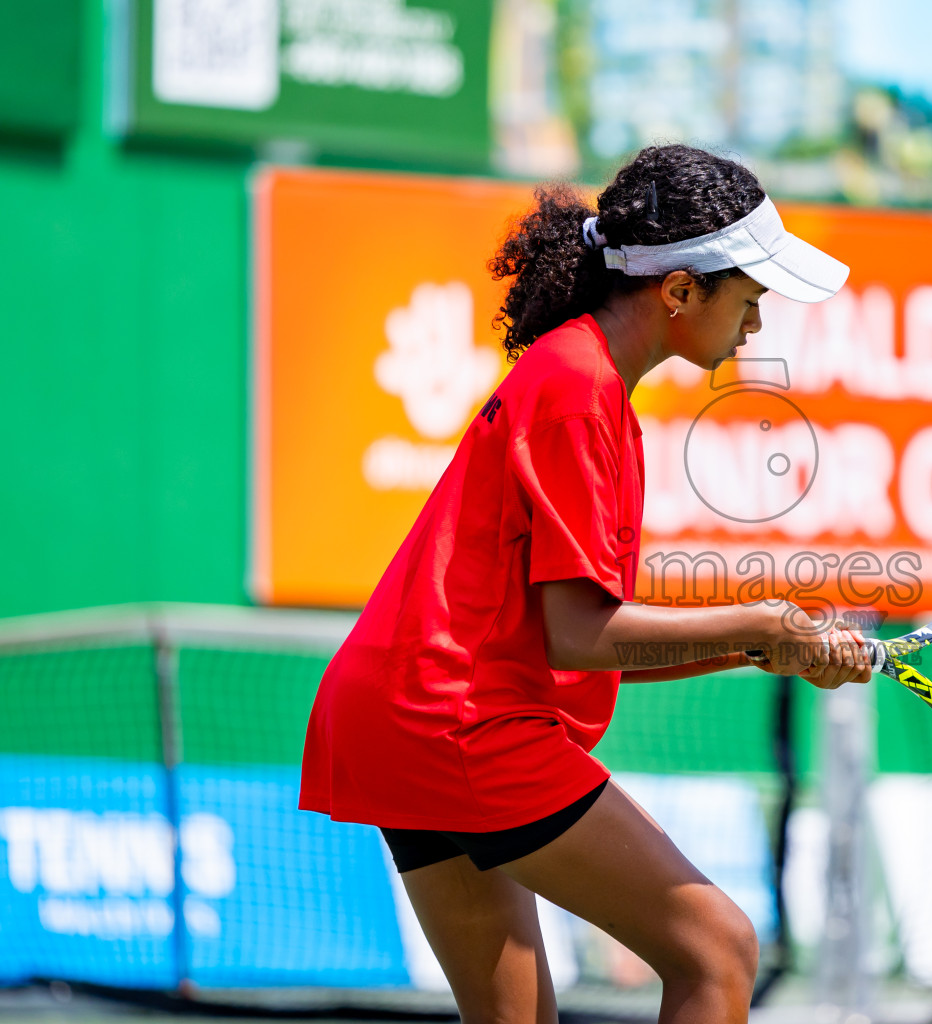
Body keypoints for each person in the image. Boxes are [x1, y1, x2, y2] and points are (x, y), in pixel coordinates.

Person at [299, 144, 870, 1024]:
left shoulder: (585, 378)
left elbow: (580, 642)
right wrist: (762, 625)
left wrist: (766, 648)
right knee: (718, 951)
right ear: (679, 292)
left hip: (403, 713)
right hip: (456, 717)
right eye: (750, 299)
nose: (757, 324)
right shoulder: (577, 386)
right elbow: (582, 634)